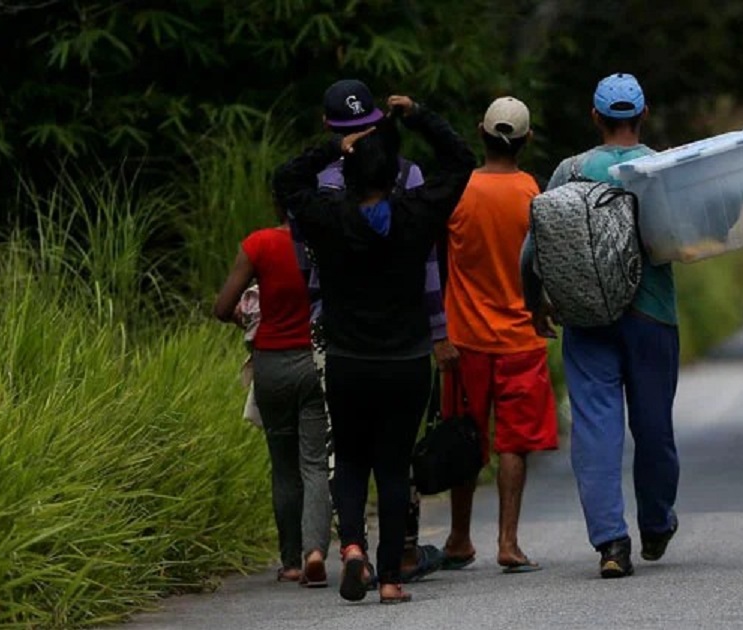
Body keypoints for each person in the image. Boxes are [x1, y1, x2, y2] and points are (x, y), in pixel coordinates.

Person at [273, 94, 474, 604]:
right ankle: (388, 580)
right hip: (405, 362)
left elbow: (286, 181)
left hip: (347, 360)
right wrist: (416, 115)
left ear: (350, 172)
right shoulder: (415, 213)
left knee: (353, 461)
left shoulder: (329, 219)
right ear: (393, 174)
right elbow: (460, 161)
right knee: (392, 467)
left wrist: (333, 149)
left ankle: (354, 548)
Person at [521, 73, 680, 579]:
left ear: (595, 118)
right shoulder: (661, 168)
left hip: (587, 316)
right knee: (653, 425)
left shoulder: (570, 172)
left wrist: (535, 303)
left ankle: (612, 543)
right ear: (643, 114)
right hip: (652, 315)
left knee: (595, 429)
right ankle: (656, 523)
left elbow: (535, 245)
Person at [439, 97, 559, 574]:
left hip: (464, 337)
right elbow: (546, 265)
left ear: (480, 132)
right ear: (526, 140)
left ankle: (458, 537)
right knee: (514, 443)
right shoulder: (535, 194)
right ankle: (508, 543)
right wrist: (545, 309)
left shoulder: (457, 192)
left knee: (466, 438)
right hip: (521, 339)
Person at [213, 192, 332, 588]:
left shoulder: (258, 245)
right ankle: (316, 551)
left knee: (283, 467)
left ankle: (291, 561)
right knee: (314, 463)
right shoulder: (322, 244)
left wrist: (245, 319)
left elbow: (222, 305)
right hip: (312, 362)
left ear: (277, 206)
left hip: (271, 366)